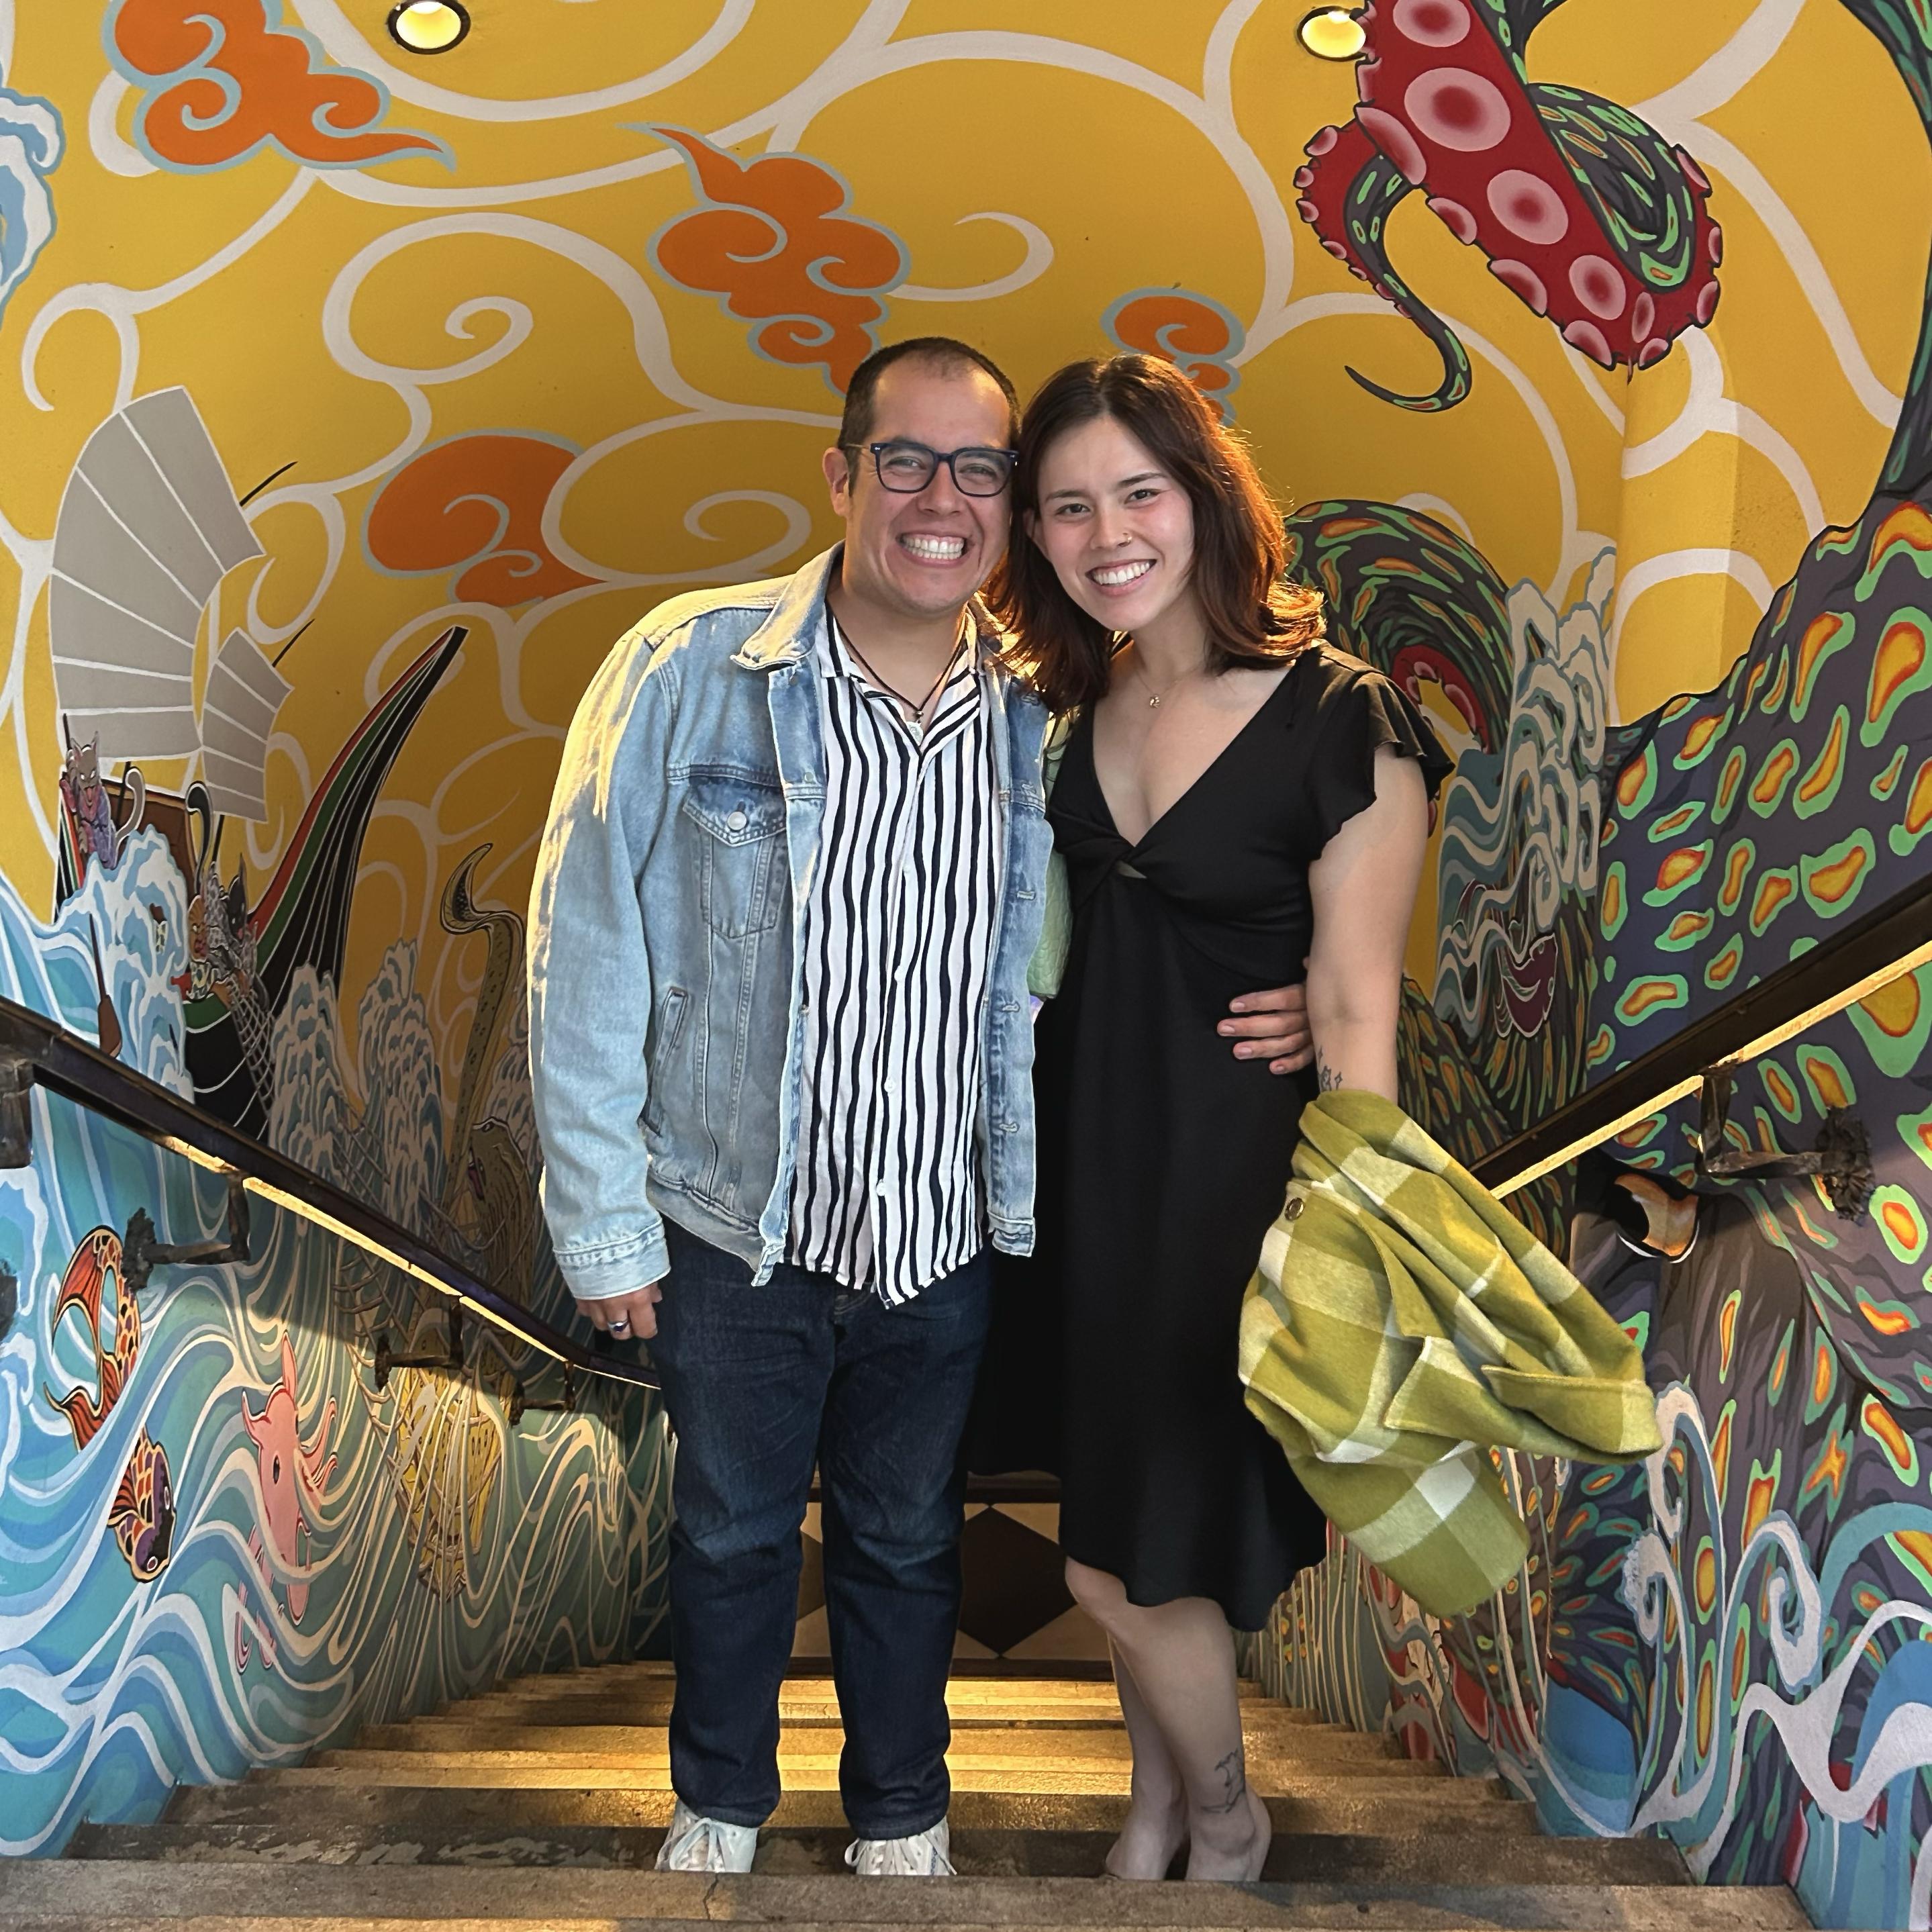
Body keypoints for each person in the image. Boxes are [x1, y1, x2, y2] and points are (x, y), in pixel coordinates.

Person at [526, 337, 1313, 1880]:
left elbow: (1155, 891)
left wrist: (1299, 991)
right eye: (904, 460)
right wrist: (600, 1218)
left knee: (904, 1539)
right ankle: (720, 1803)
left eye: (977, 471)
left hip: (941, 1225)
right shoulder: (691, 666)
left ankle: (902, 1813)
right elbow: (586, 939)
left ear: (1007, 507)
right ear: (841, 476)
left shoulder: (1045, 709)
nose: (939, 499)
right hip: (731, 1218)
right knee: (731, 1531)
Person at [975, 354, 1450, 1882]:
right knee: (1122, 1522)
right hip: (1078, 1175)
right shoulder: (1058, 713)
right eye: (1067, 506)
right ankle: (1159, 1806)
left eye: (1139, 491)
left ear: (1204, 497)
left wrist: (1358, 1237)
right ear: (1033, 533)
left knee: (1118, 1562)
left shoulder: (1339, 716)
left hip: (1233, 1182)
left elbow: (1357, 1005)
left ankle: (1230, 1816)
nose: (1107, 532)